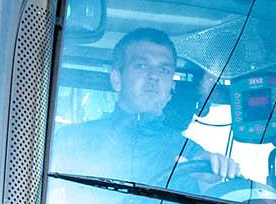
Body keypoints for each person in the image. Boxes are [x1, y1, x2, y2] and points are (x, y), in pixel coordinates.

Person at [54, 27, 229, 189]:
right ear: (116, 79)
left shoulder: (191, 156)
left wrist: (212, 183)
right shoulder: (71, 141)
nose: (154, 76)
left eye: (164, 70)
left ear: (171, 87)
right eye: (141, 66)